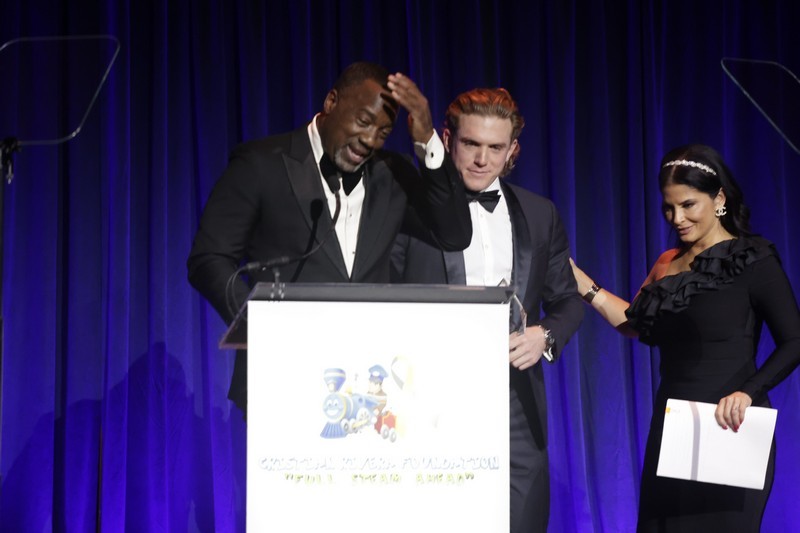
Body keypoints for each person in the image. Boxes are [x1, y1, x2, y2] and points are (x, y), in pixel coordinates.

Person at [187, 62, 472, 414]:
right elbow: (209, 259)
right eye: (363, 121)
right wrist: (261, 327)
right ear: (331, 101)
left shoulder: (392, 174)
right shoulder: (261, 164)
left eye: (383, 132)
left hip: (368, 387)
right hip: (282, 378)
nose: (370, 140)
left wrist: (427, 139)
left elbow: (454, 234)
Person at [570, 144, 800, 531]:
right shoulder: (667, 264)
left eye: (688, 205)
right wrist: (583, 285)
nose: (677, 218)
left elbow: (794, 341)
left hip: (731, 427)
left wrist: (748, 392)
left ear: (719, 199)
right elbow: (634, 322)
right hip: (675, 431)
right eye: (669, 208)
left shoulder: (752, 259)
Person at [391, 88, 584, 533]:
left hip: (515, 397)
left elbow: (567, 300)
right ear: (447, 140)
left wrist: (544, 336)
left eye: (495, 148)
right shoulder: (410, 210)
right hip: (430, 395)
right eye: (471, 144)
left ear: (512, 150)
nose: (482, 159)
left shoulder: (539, 213)